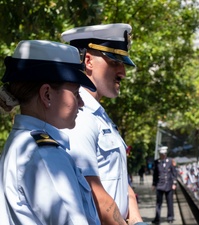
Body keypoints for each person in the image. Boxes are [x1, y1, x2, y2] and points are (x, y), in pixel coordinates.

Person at [0, 40, 100, 224]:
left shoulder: (25, 144)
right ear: (47, 95)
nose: (81, 103)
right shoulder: (44, 155)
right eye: (76, 93)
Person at [60, 24, 145, 225]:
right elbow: (93, 191)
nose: (123, 72)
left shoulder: (99, 114)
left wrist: (136, 219)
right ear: (88, 61)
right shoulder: (77, 115)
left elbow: (118, 180)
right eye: (115, 61)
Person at [152, 146, 177, 224]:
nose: (162, 155)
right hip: (159, 185)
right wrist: (153, 184)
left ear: (165, 154)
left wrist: (174, 183)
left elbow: (174, 173)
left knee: (170, 202)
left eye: (163, 154)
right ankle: (157, 218)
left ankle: (170, 217)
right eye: (161, 154)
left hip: (168, 185)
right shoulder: (157, 162)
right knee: (158, 203)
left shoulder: (170, 161)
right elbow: (155, 174)